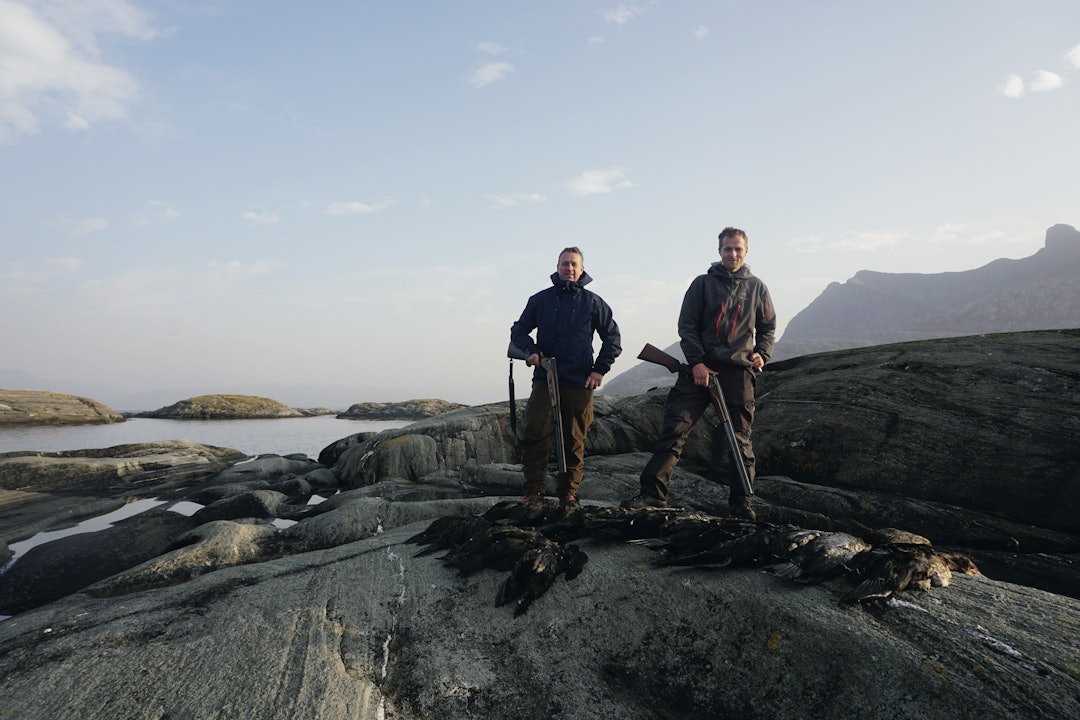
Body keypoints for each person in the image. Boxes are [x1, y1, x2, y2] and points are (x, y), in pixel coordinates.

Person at [623, 227, 776, 519]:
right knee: (674, 430)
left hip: (738, 373)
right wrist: (697, 362)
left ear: (746, 252)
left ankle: (742, 502)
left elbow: (767, 327)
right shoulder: (702, 284)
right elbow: (687, 325)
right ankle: (653, 495)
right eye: (727, 249)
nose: (733, 254)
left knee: (740, 437)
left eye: (738, 249)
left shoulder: (757, 287)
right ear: (719, 251)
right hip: (698, 370)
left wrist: (763, 352)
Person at [510, 247, 622, 508]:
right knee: (535, 432)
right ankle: (534, 491)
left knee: (574, 439)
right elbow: (518, 331)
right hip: (544, 377)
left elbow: (613, 340)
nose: (569, 268)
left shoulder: (594, 302)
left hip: (580, 380)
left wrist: (599, 370)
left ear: (582, 269)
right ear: (557, 266)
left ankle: (568, 493)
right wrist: (530, 352)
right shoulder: (540, 300)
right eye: (564, 264)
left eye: (574, 264)